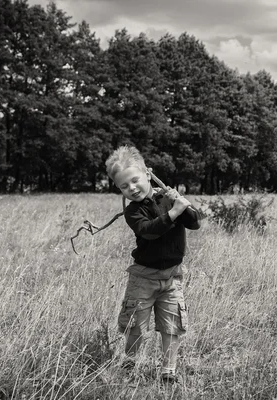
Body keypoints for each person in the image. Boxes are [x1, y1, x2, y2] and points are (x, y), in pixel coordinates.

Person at [105, 145, 201, 384]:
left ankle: (169, 371)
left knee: (172, 325)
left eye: (135, 181)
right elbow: (149, 232)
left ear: (147, 174)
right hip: (143, 277)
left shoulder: (168, 198)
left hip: (172, 278)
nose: (132, 188)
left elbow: (195, 222)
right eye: (124, 186)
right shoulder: (133, 211)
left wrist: (181, 205)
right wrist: (172, 214)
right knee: (135, 324)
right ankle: (130, 365)